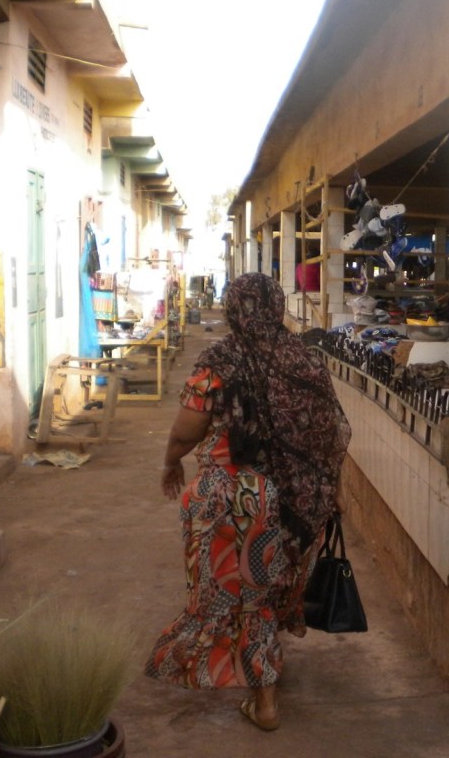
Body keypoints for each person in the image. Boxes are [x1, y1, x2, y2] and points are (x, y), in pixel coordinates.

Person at [145, 272, 351, 732]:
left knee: (243, 599)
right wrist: (330, 491)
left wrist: (170, 462)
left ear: (236, 309)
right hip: (297, 501)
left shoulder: (220, 363)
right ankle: (267, 667)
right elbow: (326, 433)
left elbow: (186, 429)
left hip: (235, 500)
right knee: (270, 590)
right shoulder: (304, 360)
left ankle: (265, 702)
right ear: (275, 306)